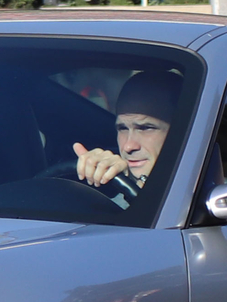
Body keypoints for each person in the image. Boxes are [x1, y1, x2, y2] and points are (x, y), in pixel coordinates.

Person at [71, 70, 182, 211]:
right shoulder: (110, 192)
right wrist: (87, 185)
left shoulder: (207, 195)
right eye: (122, 128)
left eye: (146, 128)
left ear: (181, 131)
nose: (128, 146)